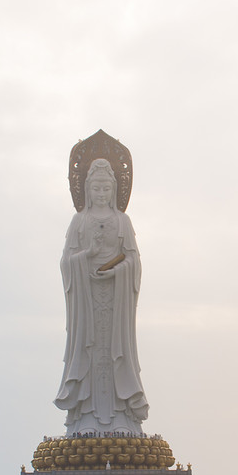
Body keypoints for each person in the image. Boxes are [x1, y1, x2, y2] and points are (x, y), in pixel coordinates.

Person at [55, 159, 149, 434]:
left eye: (106, 188)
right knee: (90, 349)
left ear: (114, 190)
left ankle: (122, 415)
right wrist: (88, 254)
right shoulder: (79, 221)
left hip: (116, 299)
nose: (101, 194)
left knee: (116, 351)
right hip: (87, 301)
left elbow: (134, 260)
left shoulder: (123, 221)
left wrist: (117, 271)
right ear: (86, 190)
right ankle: (86, 416)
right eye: (96, 188)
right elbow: (66, 262)